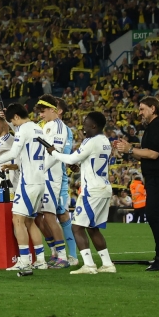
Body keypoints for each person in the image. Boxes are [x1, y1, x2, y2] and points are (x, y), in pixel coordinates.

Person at [0, 104, 64, 274]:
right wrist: (14, 166)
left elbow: (13, 152)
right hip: (40, 181)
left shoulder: (23, 130)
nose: (13, 124)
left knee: (17, 220)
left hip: (29, 183)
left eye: (13, 121)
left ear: (17, 117)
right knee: (29, 221)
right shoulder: (37, 129)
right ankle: (40, 260)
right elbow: (27, 155)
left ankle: (24, 260)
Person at [42, 111, 116, 275]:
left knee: (77, 227)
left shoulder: (90, 141)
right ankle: (107, 263)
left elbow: (70, 159)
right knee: (92, 228)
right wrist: (80, 165)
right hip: (104, 188)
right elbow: (91, 161)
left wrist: (53, 151)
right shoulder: (105, 141)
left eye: (86, 125)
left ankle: (89, 265)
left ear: (94, 126)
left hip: (92, 191)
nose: (83, 128)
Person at [115, 96, 159, 272]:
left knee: (152, 214)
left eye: (142, 109)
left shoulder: (158, 126)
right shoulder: (154, 127)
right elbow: (144, 153)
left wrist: (131, 149)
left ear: (153, 108)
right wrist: (128, 149)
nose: (139, 112)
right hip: (158, 177)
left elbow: (153, 154)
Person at [36, 96, 79, 265]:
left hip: (57, 177)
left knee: (61, 214)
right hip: (42, 176)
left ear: (58, 110)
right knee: (40, 216)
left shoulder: (64, 129)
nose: (41, 113)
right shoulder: (44, 126)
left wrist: (70, 161)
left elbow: (61, 153)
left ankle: (72, 255)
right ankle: (55, 251)